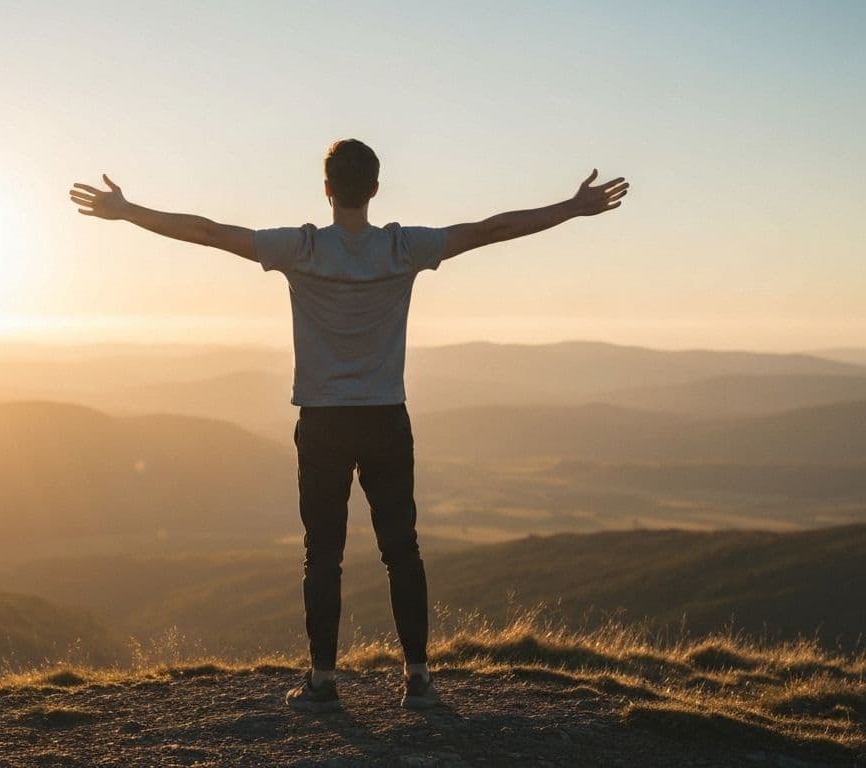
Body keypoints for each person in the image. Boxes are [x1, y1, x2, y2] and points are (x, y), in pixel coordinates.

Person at [68, 139, 628, 712]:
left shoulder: (302, 248)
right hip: (386, 417)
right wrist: (571, 207)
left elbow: (209, 232)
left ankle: (323, 682)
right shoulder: (403, 248)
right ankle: (418, 679)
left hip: (323, 421)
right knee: (402, 551)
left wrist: (129, 211)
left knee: (323, 554)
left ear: (327, 190)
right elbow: (492, 229)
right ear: (376, 189)